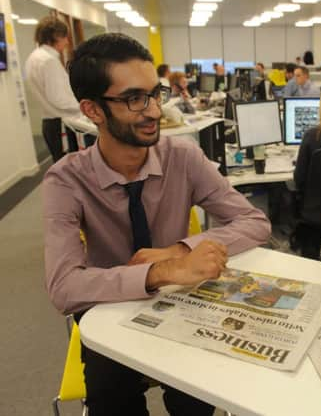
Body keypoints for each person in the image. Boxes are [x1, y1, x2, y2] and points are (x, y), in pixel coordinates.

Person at [44, 33, 271, 415]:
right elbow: (64, 288)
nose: (153, 111)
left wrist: (179, 250)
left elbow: (254, 220)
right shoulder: (66, 180)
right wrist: (162, 270)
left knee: (198, 402)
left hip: (183, 306)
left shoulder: (182, 156)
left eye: (154, 94)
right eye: (134, 99)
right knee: (113, 405)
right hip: (110, 312)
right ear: (93, 110)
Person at [25, 16, 80, 162]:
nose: (67, 42)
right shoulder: (48, 61)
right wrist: (83, 107)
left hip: (50, 122)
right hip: (60, 123)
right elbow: (59, 99)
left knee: (60, 166)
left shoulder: (33, 58)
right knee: (69, 169)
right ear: (56, 36)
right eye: (65, 37)